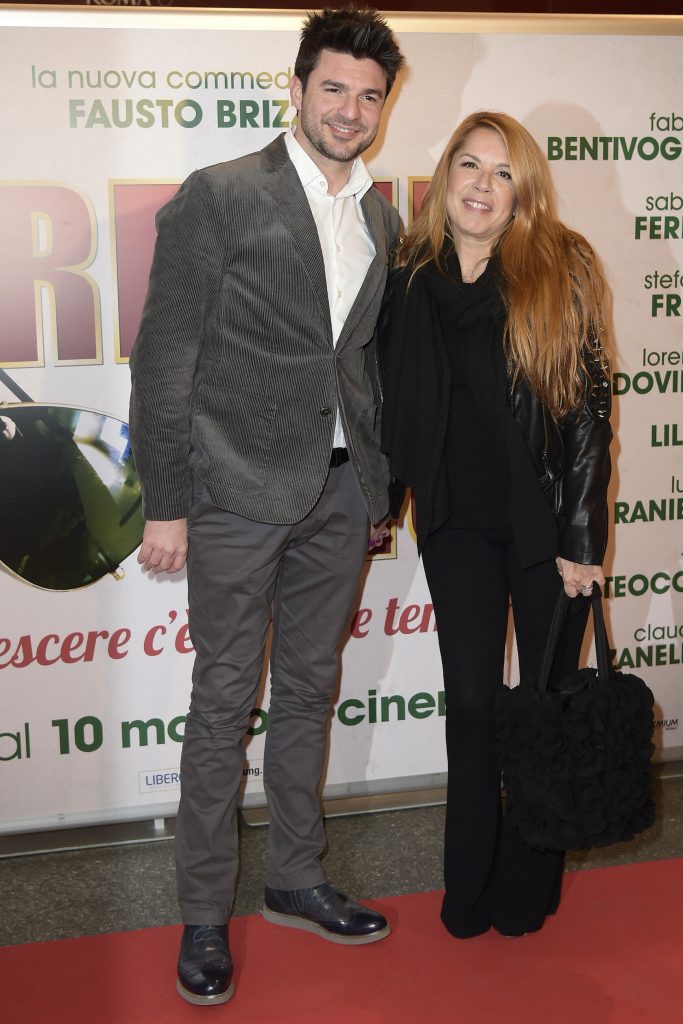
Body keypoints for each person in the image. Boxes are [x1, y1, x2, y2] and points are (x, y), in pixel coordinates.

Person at [129, 6, 404, 1007]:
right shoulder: (221, 194)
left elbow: (360, 361)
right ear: (295, 89)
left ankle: (294, 874)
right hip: (236, 490)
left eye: (368, 95)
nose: (350, 110)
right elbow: (165, 356)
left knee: (307, 688)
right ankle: (204, 912)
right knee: (221, 700)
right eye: (333, 88)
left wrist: (376, 481)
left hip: (340, 489)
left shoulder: (380, 215)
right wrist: (166, 502)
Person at [380, 111, 612, 939]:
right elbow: (389, 403)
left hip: (545, 526)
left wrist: (580, 541)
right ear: (445, 176)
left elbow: (587, 414)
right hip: (455, 523)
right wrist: (379, 502)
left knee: (544, 710)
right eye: (469, 166)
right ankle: (467, 885)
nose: (482, 185)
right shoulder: (408, 275)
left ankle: (526, 884)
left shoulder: (559, 266)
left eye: (502, 172)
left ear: (524, 192)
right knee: (473, 706)